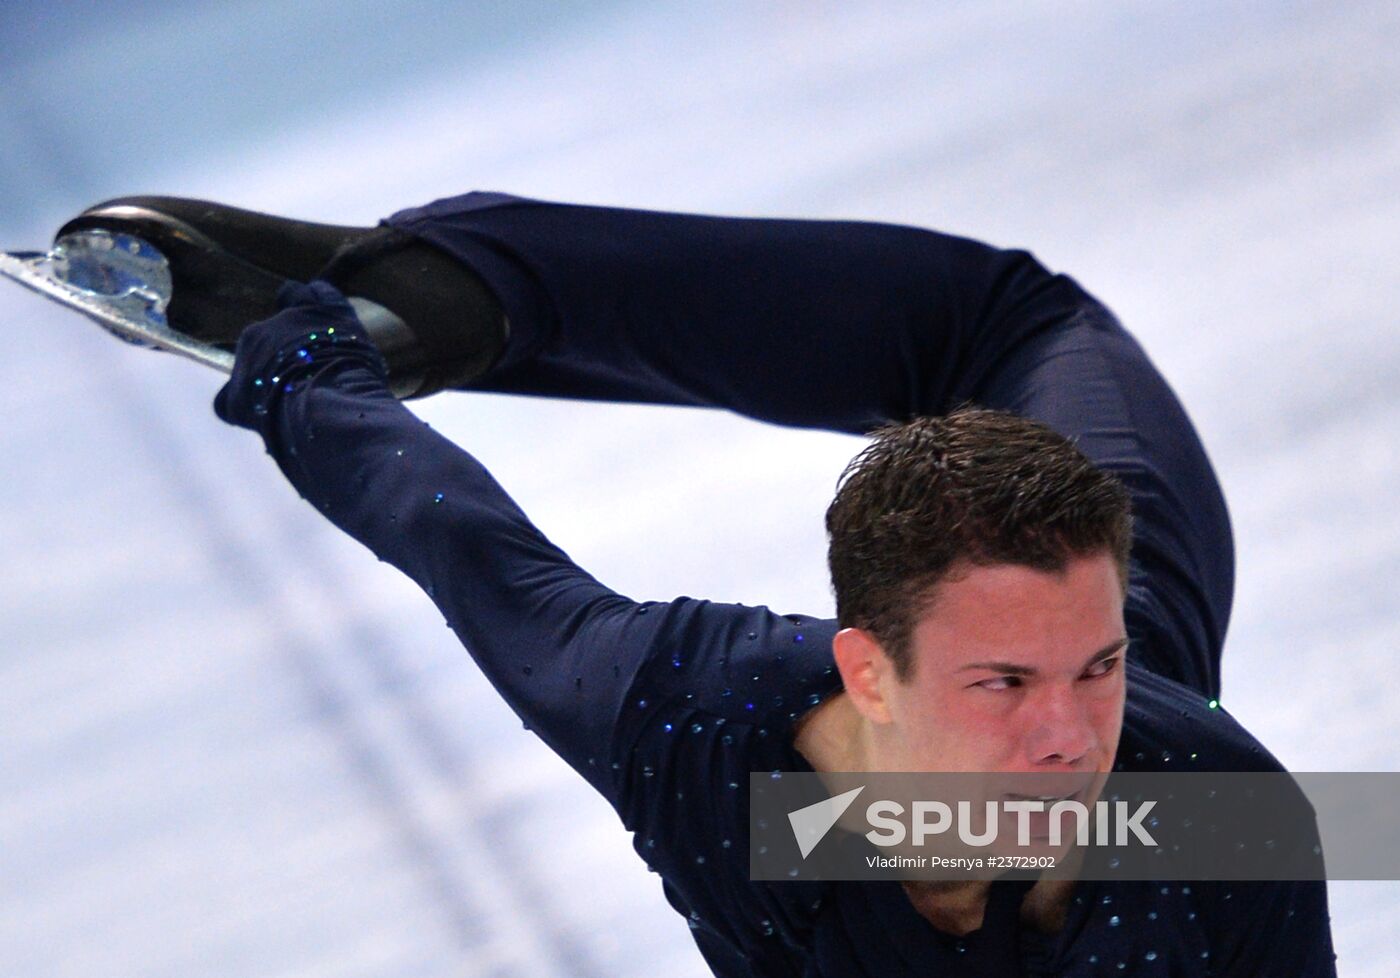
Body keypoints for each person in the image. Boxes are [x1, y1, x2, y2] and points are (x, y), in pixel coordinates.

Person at [65, 191, 1337, 975]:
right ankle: (473, 289)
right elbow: (463, 547)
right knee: (1013, 319)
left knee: (1016, 325)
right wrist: (311, 387)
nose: (1069, 738)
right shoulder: (688, 726)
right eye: (1001, 681)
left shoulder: (1218, 816)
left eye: (1090, 669)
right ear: (866, 673)